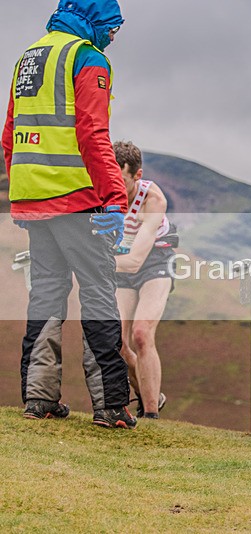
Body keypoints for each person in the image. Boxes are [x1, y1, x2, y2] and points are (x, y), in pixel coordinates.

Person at [2, 0, 136, 429]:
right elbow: (93, 133)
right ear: (96, 20)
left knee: (45, 295)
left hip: (33, 200)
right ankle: (111, 405)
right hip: (80, 201)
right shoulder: (87, 57)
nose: (114, 36)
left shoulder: (29, 57)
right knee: (98, 294)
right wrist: (115, 200)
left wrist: (21, 191)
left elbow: (9, 136)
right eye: (113, 26)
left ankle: (38, 399)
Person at [113, 140, 177, 419]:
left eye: (122, 180)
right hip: (118, 264)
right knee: (116, 341)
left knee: (141, 333)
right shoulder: (102, 193)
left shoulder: (153, 199)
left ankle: (150, 414)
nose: (115, 186)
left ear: (137, 176)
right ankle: (150, 394)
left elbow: (136, 260)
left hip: (154, 262)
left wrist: (90, 264)